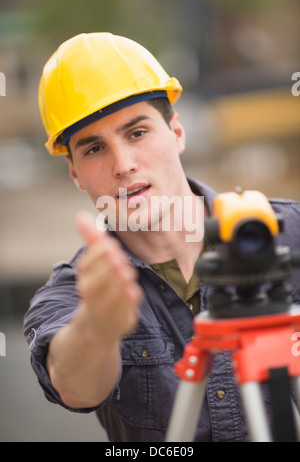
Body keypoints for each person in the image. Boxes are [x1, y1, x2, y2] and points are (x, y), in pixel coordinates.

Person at [23, 32, 300, 442]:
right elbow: (74, 385)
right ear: (75, 172)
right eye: (94, 149)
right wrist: (99, 325)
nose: (123, 165)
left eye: (136, 133)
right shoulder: (77, 292)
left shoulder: (288, 232)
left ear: (177, 132)